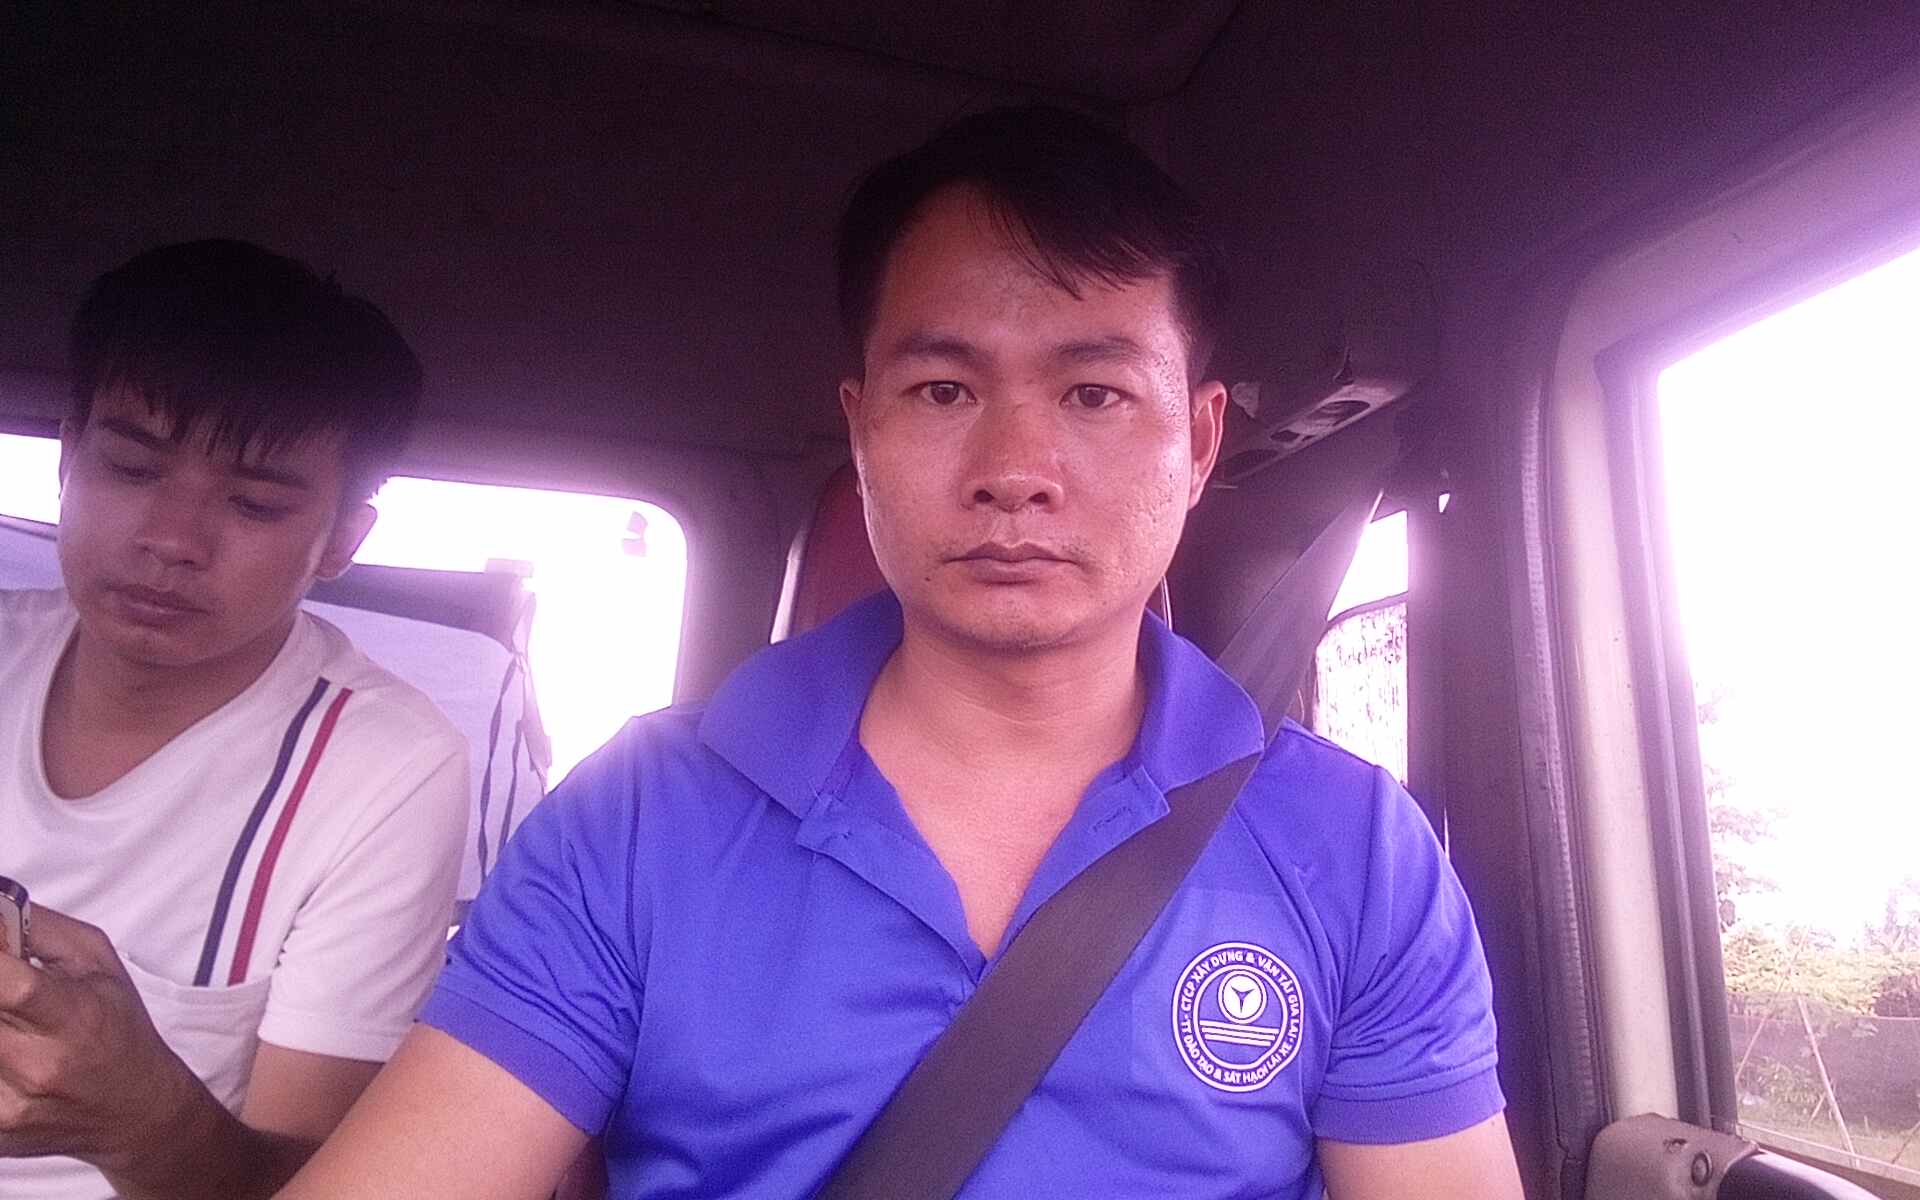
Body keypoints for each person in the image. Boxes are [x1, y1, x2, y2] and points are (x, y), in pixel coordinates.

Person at [279, 107, 1524, 1198]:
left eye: (1094, 394)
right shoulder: (638, 820)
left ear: (1198, 444)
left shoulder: (1354, 851)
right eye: (942, 391)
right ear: (862, 427)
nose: (1015, 472)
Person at [0, 239, 470, 1199]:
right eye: (131, 468)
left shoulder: (385, 767)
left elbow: (314, 1177)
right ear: (67, 460)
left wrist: (145, 1121)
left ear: (341, 540)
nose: (171, 540)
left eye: (254, 504)